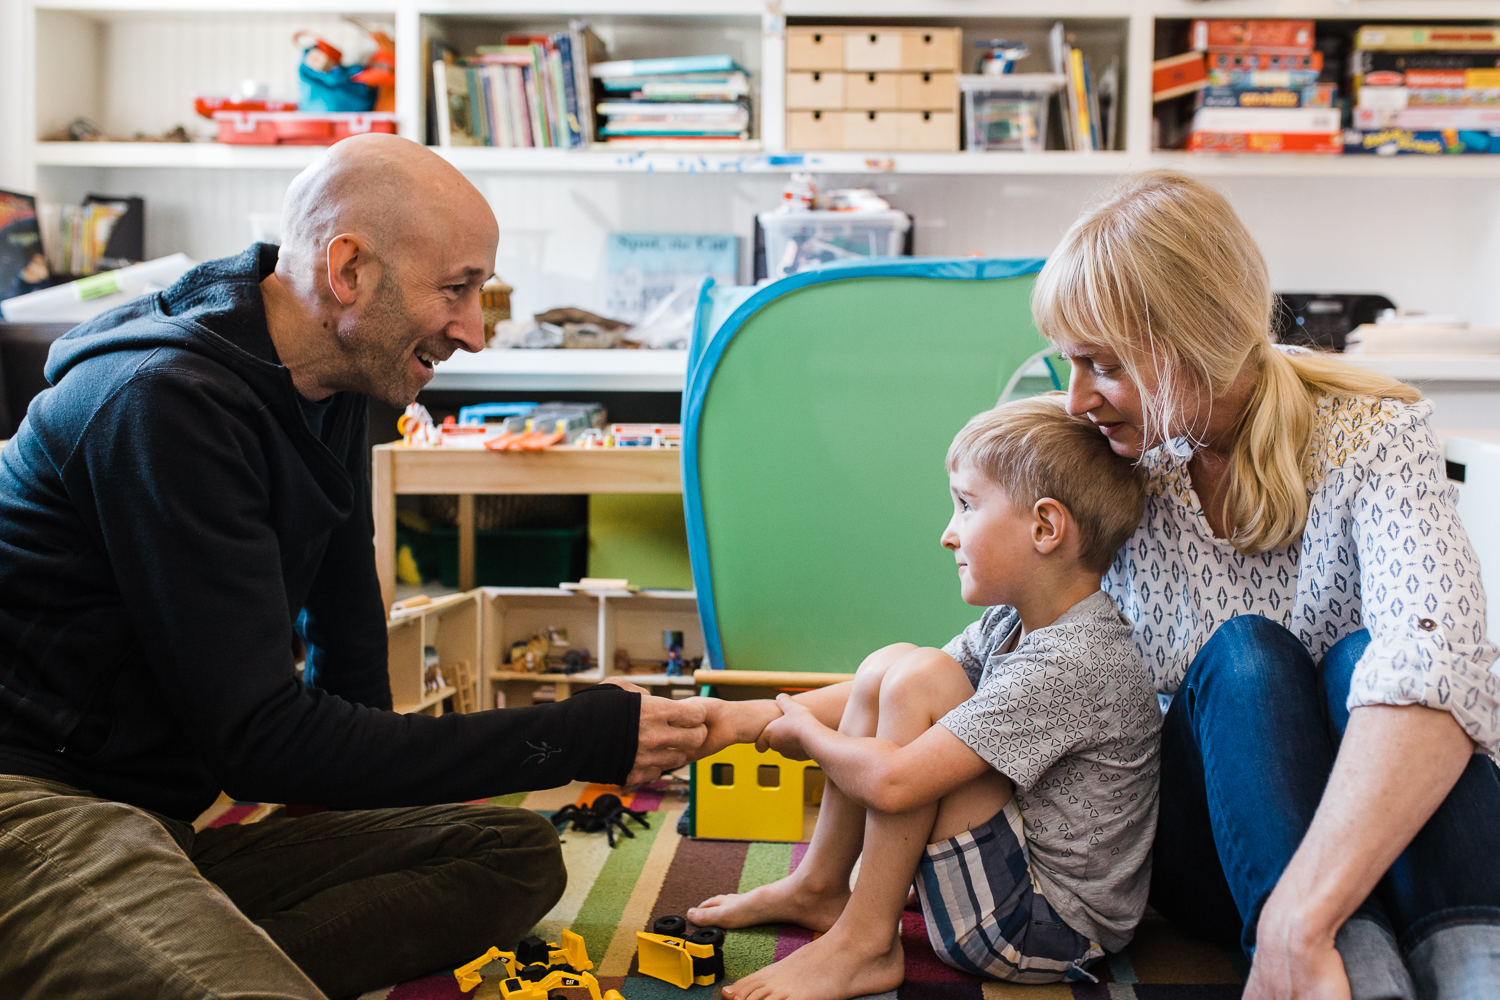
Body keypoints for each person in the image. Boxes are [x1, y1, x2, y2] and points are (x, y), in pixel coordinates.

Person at [0, 134, 708, 1000]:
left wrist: (369, 814)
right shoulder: (162, 402)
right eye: (456, 289)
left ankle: (137, 955)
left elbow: (345, 635)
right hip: (29, 808)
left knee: (511, 855)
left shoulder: (326, 378)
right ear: (349, 271)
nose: (474, 332)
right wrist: (582, 731)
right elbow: (262, 744)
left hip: (152, 825)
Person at [1032, 169, 1500, 1000]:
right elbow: (1010, 636)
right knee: (1248, 655)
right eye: (1068, 364)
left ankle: (1465, 967)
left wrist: (1302, 911)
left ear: (1188, 341)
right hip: (1210, 852)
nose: (1076, 399)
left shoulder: (1374, 434)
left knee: (1379, 658)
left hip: (1374, 841)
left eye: (1100, 365)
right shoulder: (1118, 462)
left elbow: (1443, 667)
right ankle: (1341, 961)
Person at [684, 396, 1161, 1000]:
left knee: (922, 678)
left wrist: (806, 734)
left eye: (966, 505)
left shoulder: (1075, 659)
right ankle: (821, 886)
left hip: (1044, 929)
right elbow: (879, 687)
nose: (948, 533)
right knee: (895, 664)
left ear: (1045, 527)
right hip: (1010, 886)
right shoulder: (1013, 623)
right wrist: (750, 716)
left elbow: (894, 784)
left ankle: (865, 942)